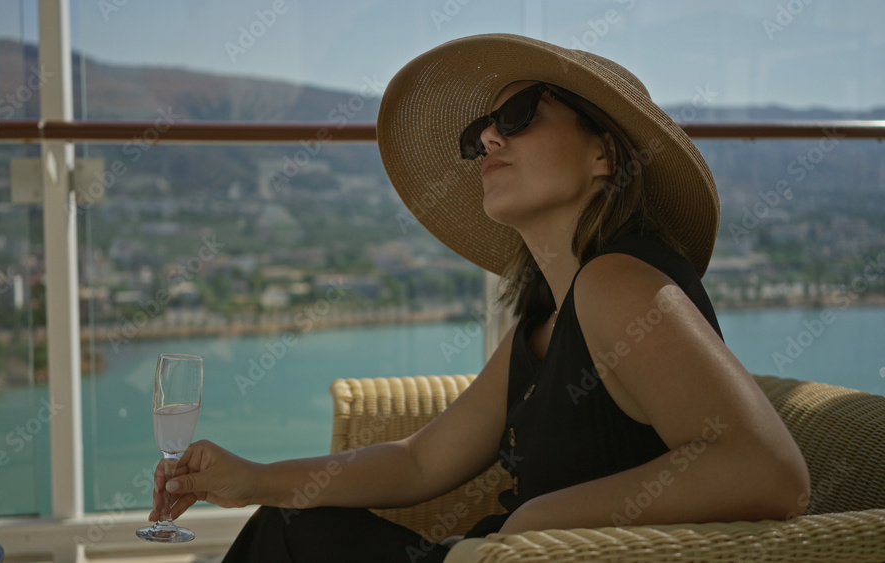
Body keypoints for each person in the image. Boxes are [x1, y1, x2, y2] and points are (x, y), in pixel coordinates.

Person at [148, 34, 811, 561]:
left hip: (507, 555)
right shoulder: (551, 318)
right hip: (492, 555)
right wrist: (250, 477)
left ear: (604, 155)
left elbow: (768, 469)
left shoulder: (621, 284)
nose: (491, 137)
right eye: (482, 131)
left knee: (291, 537)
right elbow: (419, 460)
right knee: (288, 525)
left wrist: (533, 522)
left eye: (521, 115)